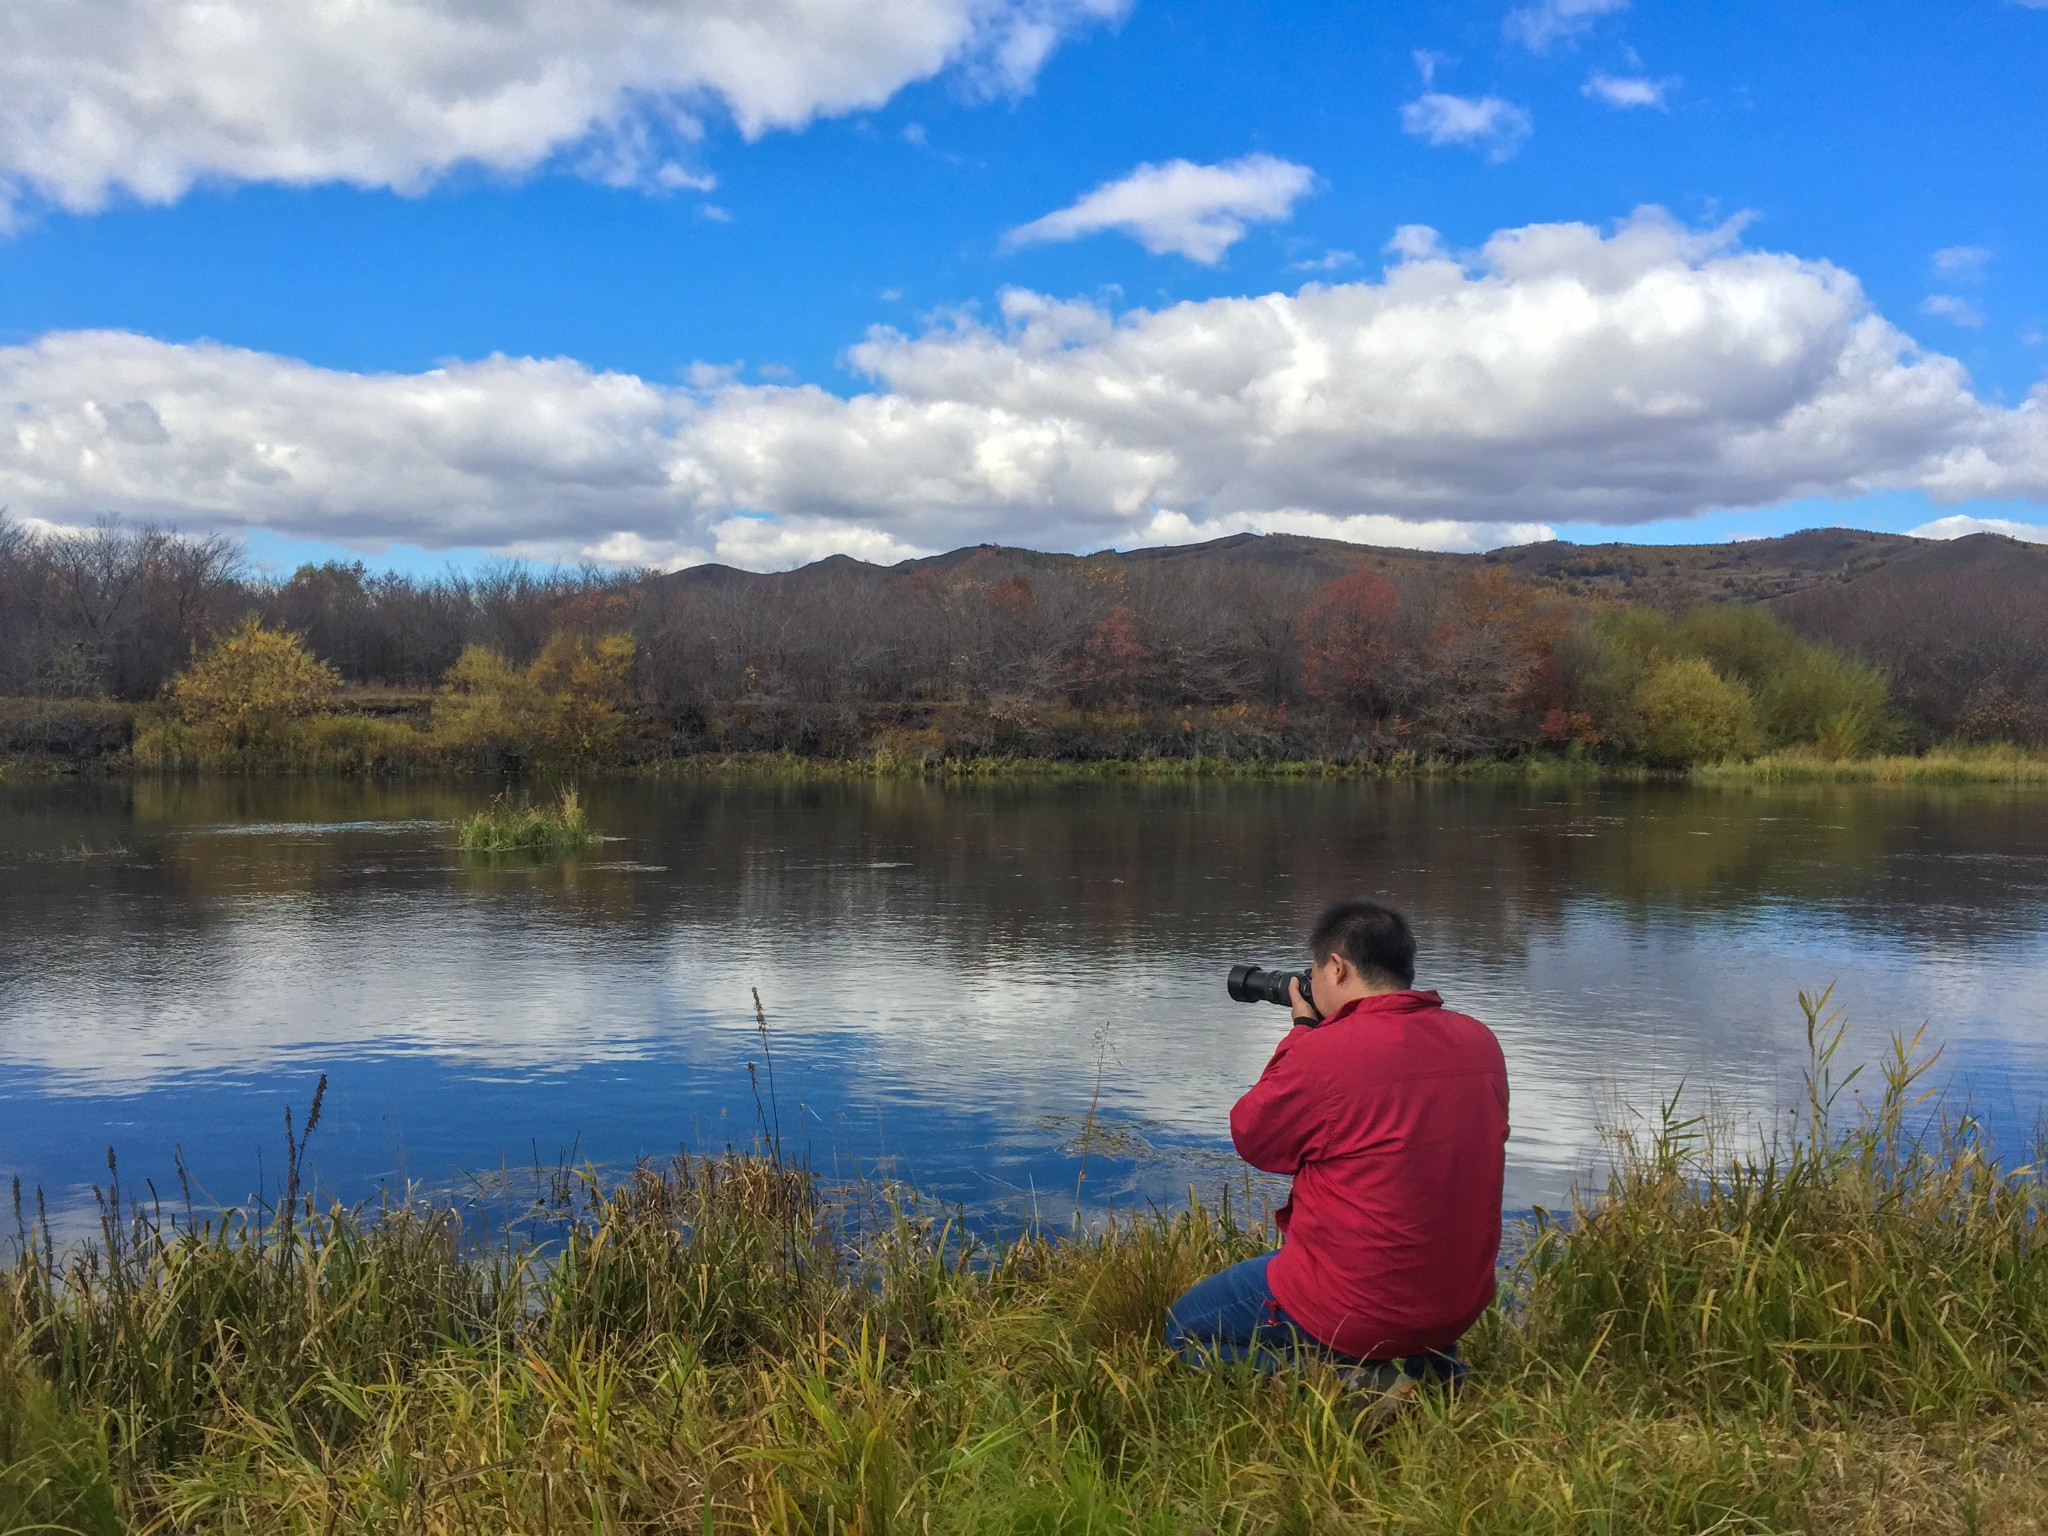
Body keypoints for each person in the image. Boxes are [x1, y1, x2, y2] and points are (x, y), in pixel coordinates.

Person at [1166, 899, 1509, 1384]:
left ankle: (1359, 1388)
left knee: (1183, 1331)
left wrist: (1303, 1031)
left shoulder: (1324, 1054)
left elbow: (1255, 1139)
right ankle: (1431, 1371)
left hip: (1354, 1306)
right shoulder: (1480, 1041)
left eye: (1313, 972)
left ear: (1336, 966)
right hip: (1458, 1304)